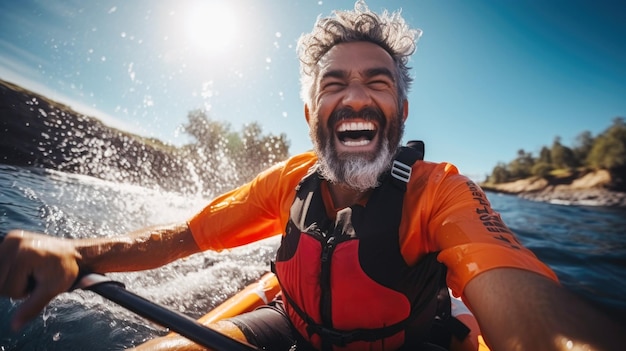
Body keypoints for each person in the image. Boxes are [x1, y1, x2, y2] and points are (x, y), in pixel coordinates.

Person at [0, 1, 623, 350]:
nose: (356, 98)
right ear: (310, 113)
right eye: (335, 84)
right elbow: (183, 239)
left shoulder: (442, 192)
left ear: (400, 112)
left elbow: (530, 307)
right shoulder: (289, 181)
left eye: (377, 83)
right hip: (292, 326)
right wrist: (77, 254)